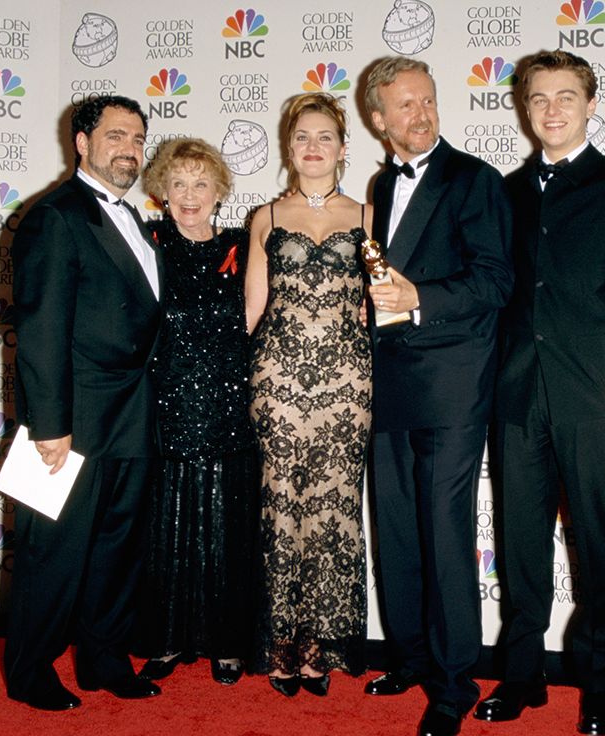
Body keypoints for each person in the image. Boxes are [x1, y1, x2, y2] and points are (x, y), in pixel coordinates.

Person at [476, 50, 605, 736]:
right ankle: (521, 679)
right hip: (518, 393)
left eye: (565, 97)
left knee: (597, 540)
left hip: (589, 393)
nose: (551, 110)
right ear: (524, 110)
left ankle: (599, 686)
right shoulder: (506, 192)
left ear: (589, 104)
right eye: (538, 99)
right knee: (521, 541)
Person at [361, 57, 513, 736]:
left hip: (453, 383)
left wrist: (420, 297)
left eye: (427, 101)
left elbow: (494, 281)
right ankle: (412, 658)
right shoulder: (377, 181)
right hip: (387, 382)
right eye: (405, 106)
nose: (420, 114)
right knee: (394, 530)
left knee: (445, 534)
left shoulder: (474, 179)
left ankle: (453, 684)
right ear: (378, 120)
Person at [4, 94, 162, 710]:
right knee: (52, 550)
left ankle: (104, 659)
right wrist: (49, 427)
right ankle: (29, 671)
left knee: (117, 548)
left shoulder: (138, 219)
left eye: (138, 138)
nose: (130, 148)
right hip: (72, 421)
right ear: (82, 142)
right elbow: (41, 329)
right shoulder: (55, 216)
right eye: (117, 135)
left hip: (132, 414)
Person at [245, 92, 372, 699]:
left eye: (325, 137)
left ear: (344, 149)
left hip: (348, 383)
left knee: (334, 510)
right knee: (281, 506)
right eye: (302, 137)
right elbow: (253, 307)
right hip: (278, 379)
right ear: (288, 147)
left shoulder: (368, 215)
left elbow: (380, 299)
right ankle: (280, 644)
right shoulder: (265, 217)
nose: (313, 147)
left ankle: (320, 645)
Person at [134, 138, 259, 686]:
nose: (189, 195)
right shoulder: (148, 241)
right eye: (178, 183)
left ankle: (228, 644)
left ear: (219, 192)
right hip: (167, 405)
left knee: (229, 529)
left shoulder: (242, 246)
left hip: (232, 407)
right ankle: (165, 640)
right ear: (161, 190)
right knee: (167, 526)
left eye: (201, 184)